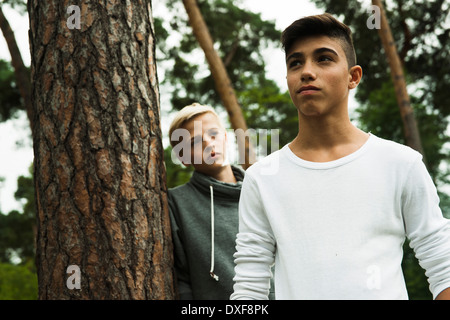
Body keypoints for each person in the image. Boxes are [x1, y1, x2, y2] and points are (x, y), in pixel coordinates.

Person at [230, 13, 450, 300]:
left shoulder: (401, 163)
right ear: (288, 79)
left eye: (323, 59)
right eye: (296, 63)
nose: (307, 71)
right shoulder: (262, 177)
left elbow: (442, 264)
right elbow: (250, 287)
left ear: (353, 77)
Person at [167, 103, 274, 299]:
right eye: (195, 142)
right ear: (183, 157)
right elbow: (180, 278)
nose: (208, 143)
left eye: (214, 134)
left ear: (226, 138)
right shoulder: (176, 203)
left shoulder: (265, 190)